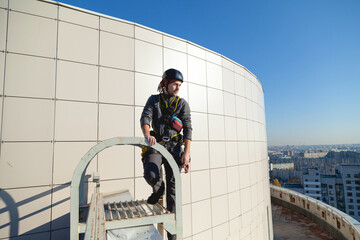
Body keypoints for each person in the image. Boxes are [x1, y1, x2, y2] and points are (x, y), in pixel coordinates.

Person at [140, 68, 192, 240]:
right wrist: (147, 135)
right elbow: (145, 118)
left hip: (175, 148)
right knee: (151, 173)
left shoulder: (182, 104)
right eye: (175, 84)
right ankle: (158, 189)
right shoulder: (154, 100)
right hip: (158, 144)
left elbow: (188, 129)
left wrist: (186, 154)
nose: (178, 88)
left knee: (173, 191)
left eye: (180, 85)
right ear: (165, 83)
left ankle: (172, 236)